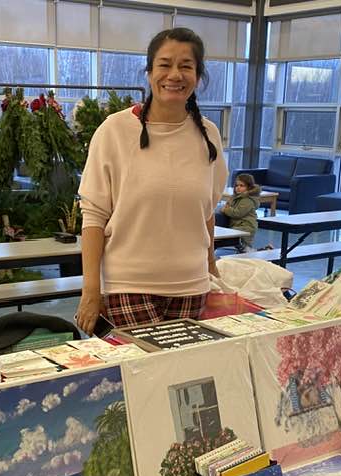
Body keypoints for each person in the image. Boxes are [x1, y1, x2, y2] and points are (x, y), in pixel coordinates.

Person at [75, 27, 228, 334]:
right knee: (148, 364)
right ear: (149, 72)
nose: (175, 75)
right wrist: (91, 291)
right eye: (165, 64)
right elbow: (93, 217)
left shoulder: (208, 134)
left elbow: (206, 213)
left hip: (192, 286)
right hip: (129, 284)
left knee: (185, 365)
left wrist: (211, 268)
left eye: (186, 66)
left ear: (198, 76)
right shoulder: (114, 130)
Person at [218, 173, 261, 252]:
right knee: (242, 248)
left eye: (242, 186)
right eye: (237, 185)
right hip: (237, 225)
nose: (238, 188)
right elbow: (229, 205)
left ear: (249, 187)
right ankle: (255, 250)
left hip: (246, 226)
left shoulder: (247, 199)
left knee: (243, 247)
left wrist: (225, 210)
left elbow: (238, 213)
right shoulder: (236, 197)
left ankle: (256, 251)